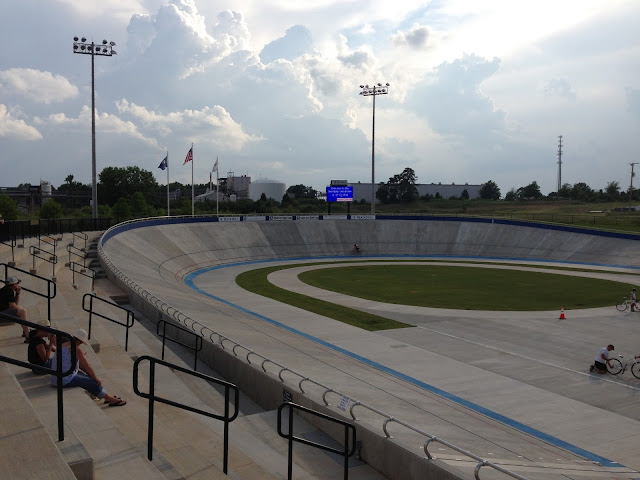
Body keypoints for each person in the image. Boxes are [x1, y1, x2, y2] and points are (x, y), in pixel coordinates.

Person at [50, 329, 126, 406]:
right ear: (81, 341)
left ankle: (105, 396)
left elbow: (79, 365)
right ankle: (110, 399)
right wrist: (96, 378)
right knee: (92, 381)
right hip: (63, 379)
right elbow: (87, 366)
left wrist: (90, 374)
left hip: (56, 377)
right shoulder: (75, 349)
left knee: (87, 376)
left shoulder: (64, 344)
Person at [0, 276, 30, 341]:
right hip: (1, 315)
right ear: (14, 284)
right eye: (17, 283)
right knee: (22, 312)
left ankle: (26, 332)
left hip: (3, 312)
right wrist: (20, 308)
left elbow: (15, 304)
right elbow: (13, 306)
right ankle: (28, 336)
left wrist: (17, 294)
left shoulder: (5, 289)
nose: (18, 285)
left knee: (20, 312)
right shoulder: (9, 291)